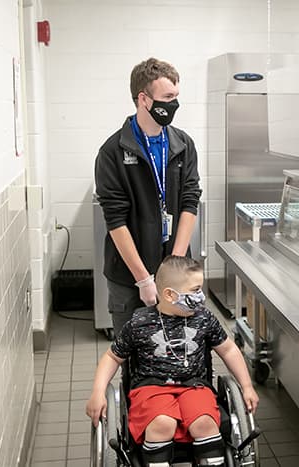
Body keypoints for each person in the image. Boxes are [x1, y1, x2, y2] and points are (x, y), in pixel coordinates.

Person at [86, 255, 259, 467]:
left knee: (205, 422)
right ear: (169, 294)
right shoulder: (140, 322)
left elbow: (229, 349)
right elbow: (112, 357)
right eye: (195, 290)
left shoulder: (203, 318)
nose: (201, 296)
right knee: (162, 424)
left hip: (195, 386)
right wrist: (97, 392)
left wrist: (247, 386)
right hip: (150, 388)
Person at [95, 57, 202, 335]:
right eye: (167, 97)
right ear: (143, 99)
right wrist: (144, 279)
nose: (174, 104)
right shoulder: (113, 152)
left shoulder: (183, 145)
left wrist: (175, 265)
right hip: (129, 280)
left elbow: (190, 201)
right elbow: (115, 220)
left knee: (178, 353)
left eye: (176, 97)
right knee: (134, 358)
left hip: (175, 274)